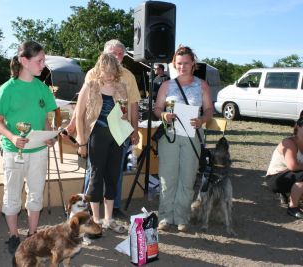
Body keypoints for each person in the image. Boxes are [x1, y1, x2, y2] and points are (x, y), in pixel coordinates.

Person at [63, 39, 141, 218]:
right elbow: (82, 109)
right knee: (94, 173)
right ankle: (87, 211)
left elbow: (133, 106)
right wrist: (75, 130)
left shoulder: (127, 78)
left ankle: (111, 212)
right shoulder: (92, 75)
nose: (117, 57)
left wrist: (135, 131)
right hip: (97, 133)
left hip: (118, 133)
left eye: (120, 53)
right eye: (114, 53)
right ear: (104, 56)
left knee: (115, 173)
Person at [0, 41, 57, 254]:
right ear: (24, 61)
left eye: (44, 60)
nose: (43, 65)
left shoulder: (42, 88)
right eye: (40, 61)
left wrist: (49, 136)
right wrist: (12, 137)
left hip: (39, 152)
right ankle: (13, 236)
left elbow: (46, 120)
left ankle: (32, 235)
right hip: (14, 152)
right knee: (12, 195)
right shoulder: (7, 89)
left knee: (36, 195)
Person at [154, 45, 214, 232]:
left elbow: (210, 109)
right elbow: (157, 108)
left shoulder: (201, 84)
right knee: (167, 178)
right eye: (179, 63)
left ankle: (182, 217)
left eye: (186, 63)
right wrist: (163, 115)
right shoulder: (166, 85)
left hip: (191, 135)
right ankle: (165, 216)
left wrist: (203, 119)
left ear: (193, 64)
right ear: (174, 64)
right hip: (170, 136)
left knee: (187, 178)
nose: (182, 67)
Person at [75, 53, 128, 233]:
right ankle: (95, 219)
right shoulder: (90, 86)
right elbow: (79, 116)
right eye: (106, 72)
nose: (109, 76)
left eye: (113, 72)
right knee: (96, 177)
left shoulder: (121, 87)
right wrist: (82, 142)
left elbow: (124, 114)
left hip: (117, 136)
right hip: (97, 135)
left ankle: (108, 219)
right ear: (99, 69)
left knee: (113, 176)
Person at [265, 118, 303, 219]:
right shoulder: (289, 143)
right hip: (275, 179)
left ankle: (288, 195)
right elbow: (293, 166)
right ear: (298, 127)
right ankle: (293, 208)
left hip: (290, 176)